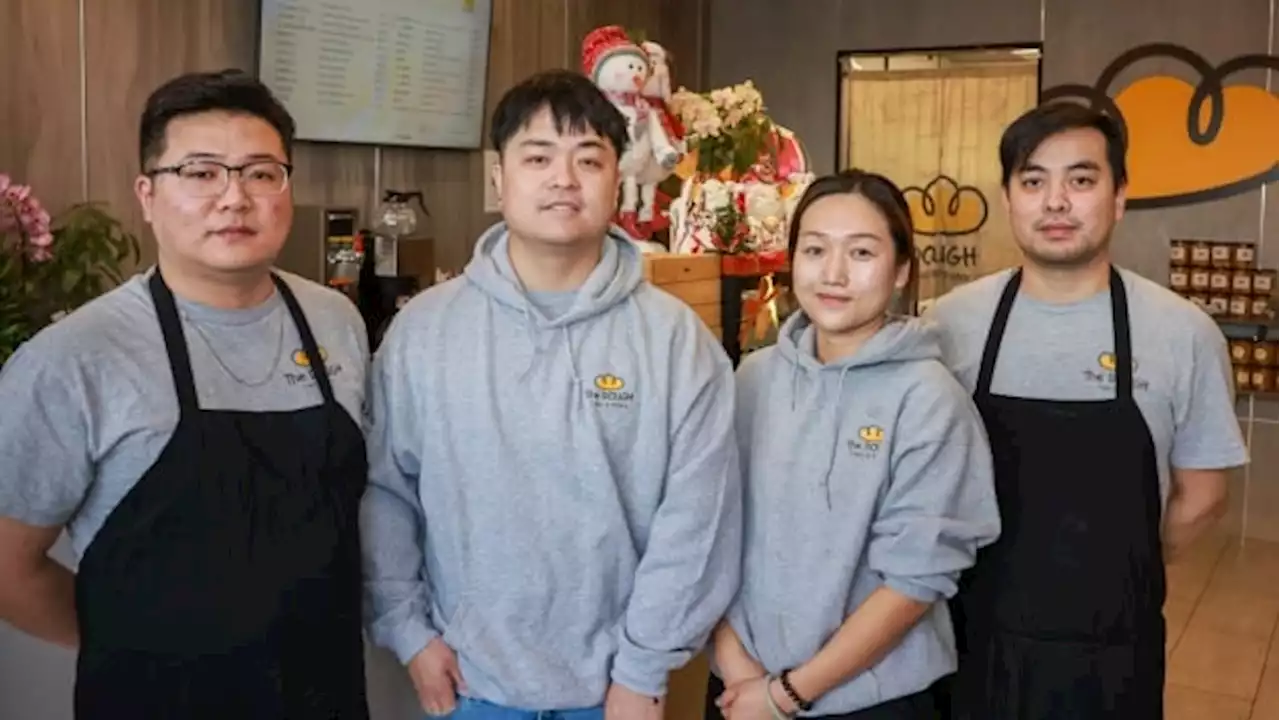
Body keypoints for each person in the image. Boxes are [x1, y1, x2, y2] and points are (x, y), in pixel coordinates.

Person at [361, 69, 742, 720]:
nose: (563, 179)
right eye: (538, 157)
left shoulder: (674, 339)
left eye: (588, 159)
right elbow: (386, 490)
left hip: (619, 692)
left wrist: (643, 671)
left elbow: (697, 521)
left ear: (616, 180)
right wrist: (409, 631)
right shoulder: (424, 331)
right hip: (467, 686)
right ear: (498, 178)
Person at [0, 69, 371, 718]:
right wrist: (130, 645)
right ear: (146, 194)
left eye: (261, 172)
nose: (235, 197)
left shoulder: (335, 320)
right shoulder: (72, 360)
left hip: (325, 696)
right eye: (201, 172)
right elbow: (8, 569)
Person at [925, 102, 1249, 719]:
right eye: (1033, 180)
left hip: (1112, 659)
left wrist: (1114, 576)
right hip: (968, 643)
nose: (1055, 202)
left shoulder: (1182, 331)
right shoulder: (948, 325)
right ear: (1008, 197)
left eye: (1081, 180)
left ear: (1120, 196)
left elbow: (1202, 495)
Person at [707, 170, 1001, 720]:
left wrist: (787, 695)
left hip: (871, 701)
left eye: (862, 252)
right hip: (740, 690)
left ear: (900, 271)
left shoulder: (929, 399)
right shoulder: (752, 378)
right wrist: (735, 665)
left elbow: (915, 579)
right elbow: (708, 528)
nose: (835, 273)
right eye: (815, 249)